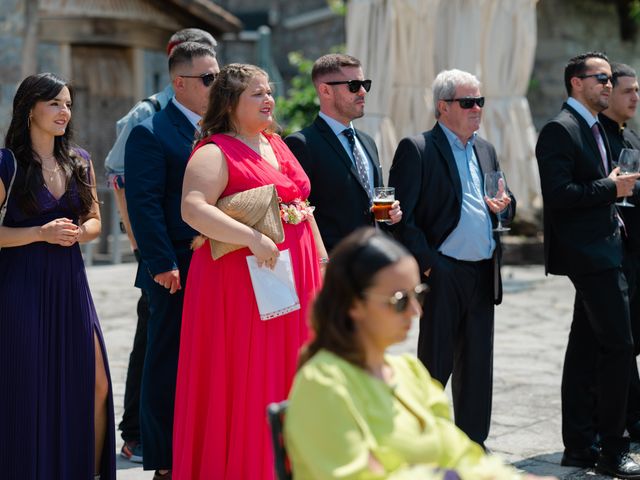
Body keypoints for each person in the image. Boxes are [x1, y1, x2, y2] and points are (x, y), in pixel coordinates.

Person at [285, 227, 554, 480]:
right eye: (400, 300)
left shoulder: (409, 372)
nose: (416, 311)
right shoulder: (323, 383)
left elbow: (461, 455)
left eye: (419, 295)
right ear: (354, 305)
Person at [173, 63, 327, 480]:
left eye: (269, 92)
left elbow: (302, 205)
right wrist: (252, 238)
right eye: (257, 94)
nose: (269, 100)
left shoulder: (276, 143)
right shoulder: (214, 150)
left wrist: (324, 260)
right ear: (230, 103)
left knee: (294, 365)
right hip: (241, 281)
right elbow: (193, 208)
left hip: (295, 273)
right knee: (250, 372)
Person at [103, 27, 217, 464]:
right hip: (172, 265)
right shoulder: (150, 130)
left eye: (218, 76)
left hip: (214, 262)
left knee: (204, 359)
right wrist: (159, 262)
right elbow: (143, 202)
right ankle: (161, 454)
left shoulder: (219, 128)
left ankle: (198, 442)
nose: (216, 85)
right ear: (180, 83)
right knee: (164, 358)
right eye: (207, 78)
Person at [388, 69, 514, 449]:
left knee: (478, 366)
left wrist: (504, 209)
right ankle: (421, 440)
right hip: (442, 271)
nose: (477, 108)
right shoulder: (417, 148)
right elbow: (402, 218)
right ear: (443, 107)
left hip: (482, 270)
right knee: (434, 364)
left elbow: (506, 205)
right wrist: (430, 265)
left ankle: (473, 444)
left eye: (480, 101)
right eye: (467, 102)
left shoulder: (486, 148)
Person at [0, 73, 115, 479]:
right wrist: (39, 233)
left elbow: (96, 219)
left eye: (68, 104)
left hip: (70, 282)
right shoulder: (6, 163)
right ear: (30, 108)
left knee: (97, 384)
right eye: (55, 104)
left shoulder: (78, 160)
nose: (64, 111)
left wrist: (81, 232)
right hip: (21, 285)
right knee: (29, 388)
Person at [536, 52, 640, 478]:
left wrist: (612, 188)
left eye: (609, 78)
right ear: (576, 83)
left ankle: (579, 445)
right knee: (618, 347)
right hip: (589, 255)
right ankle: (613, 449)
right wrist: (610, 187)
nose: (608, 85)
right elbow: (558, 195)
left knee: (585, 348)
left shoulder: (595, 128)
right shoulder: (560, 129)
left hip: (607, 247)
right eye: (600, 78)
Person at [285, 53, 401, 253]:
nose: (363, 91)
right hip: (335, 267)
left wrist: (391, 216)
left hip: (376, 259)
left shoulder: (368, 141)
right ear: (325, 91)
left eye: (365, 84)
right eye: (354, 85)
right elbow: (297, 214)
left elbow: (371, 200)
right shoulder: (301, 144)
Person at [599, 62, 640, 445]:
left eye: (637, 90)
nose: (634, 97)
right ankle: (627, 420)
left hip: (636, 253)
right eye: (628, 90)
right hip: (615, 254)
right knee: (621, 341)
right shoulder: (600, 141)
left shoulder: (633, 139)